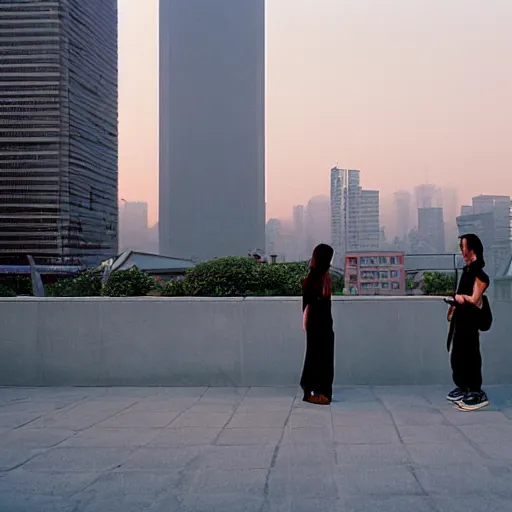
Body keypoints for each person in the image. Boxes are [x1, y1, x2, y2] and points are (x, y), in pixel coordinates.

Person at [446, 234, 490, 411]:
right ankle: (463, 387)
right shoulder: (467, 271)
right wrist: (453, 306)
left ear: (471, 250)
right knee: (457, 355)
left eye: (463, 246)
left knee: (470, 355)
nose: (461, 250)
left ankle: (475, 391)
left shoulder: (480, 274)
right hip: (461, 321)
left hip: (470, 322)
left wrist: (461, 298)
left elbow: (475, 299)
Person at [300, 244, 335, 405]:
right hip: (316, 326)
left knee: (325, 359)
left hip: (325, 325)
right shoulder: (313, 279)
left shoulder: (323, 277)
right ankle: (311, 392)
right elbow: (308, 306)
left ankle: (322, 391)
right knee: (316, 358)